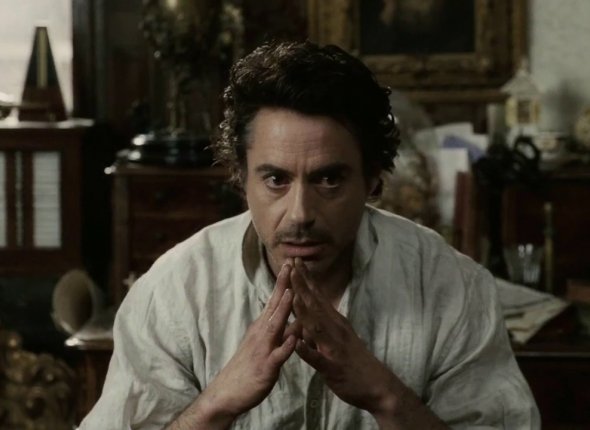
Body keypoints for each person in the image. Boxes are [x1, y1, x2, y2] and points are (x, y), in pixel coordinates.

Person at [80, 40, 539, 429]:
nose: (300, 214)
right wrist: (216, 404)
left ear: (373, 180)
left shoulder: (450, 286)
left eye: (329, 179)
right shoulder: (174, 291)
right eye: (275, 179)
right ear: (240, 178)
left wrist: (385, 396)